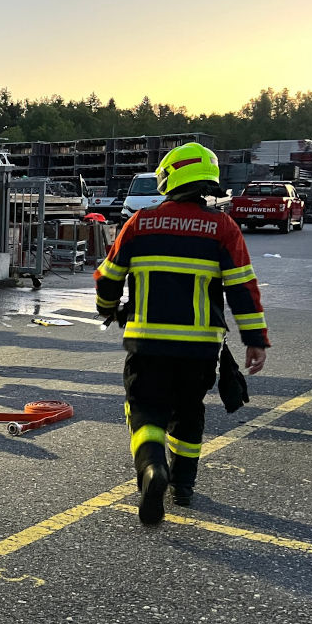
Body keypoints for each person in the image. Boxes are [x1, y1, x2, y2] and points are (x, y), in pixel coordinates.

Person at [94, 142, 268, 525]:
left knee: (144, 409)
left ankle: (152, 466)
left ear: (169, 178)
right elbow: (243, 288)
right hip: (200, 349)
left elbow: (107, 277)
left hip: (148, 343)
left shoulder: (139, 223)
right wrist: (255, 339)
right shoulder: (223, 228)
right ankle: (183, 486)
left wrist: (107, 309)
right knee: (189, 411)